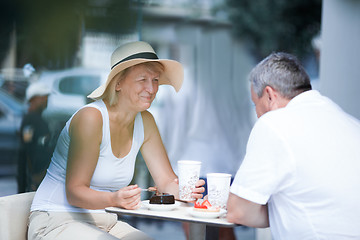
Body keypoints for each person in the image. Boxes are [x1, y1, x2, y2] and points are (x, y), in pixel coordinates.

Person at [28, 41, 205, 240]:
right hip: (55, 220)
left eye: (155, 80)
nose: (152, 88)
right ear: (118, 83)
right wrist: (114, 199)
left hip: (103, 222)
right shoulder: (91, 118)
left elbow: (164, 181)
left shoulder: (145, 121)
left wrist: (184, 190)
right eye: (142, 79)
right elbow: (74, 192)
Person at [226, 52, 360, 239]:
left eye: (255, 104)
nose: (257, 114)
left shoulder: (274, 123)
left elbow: (239, 211)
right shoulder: (350, 123)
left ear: (270, 95)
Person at [17, 81, 52, 193]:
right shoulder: (31, 120)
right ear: (34, 99)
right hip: (35, 179)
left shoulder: (37, 119)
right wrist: (33, 177)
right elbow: (27, 149)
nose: (46, 100)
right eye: (43, 97)